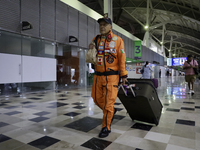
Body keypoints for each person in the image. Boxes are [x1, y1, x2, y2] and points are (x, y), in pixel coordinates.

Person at [89, 14, 128, 138]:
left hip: (112, 77)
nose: (102, 27)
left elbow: (122, 59)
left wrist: (124, 76)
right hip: (98, 76)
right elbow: (92, 54)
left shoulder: (118, 40)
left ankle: (106, 127)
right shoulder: (96, 39)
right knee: (95, 98)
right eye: (100, 25)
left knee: (108, 104)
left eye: (104, 25)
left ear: (110, 27)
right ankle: (111, 111)